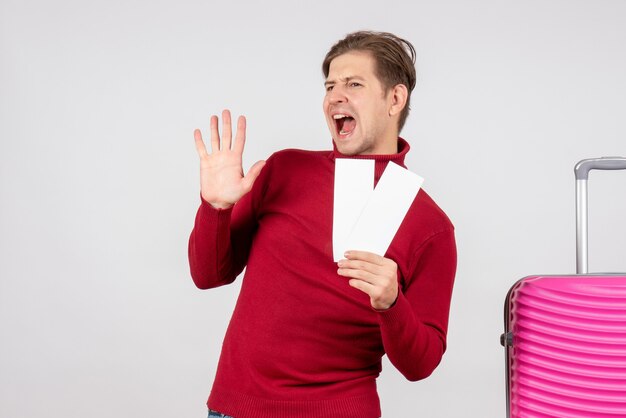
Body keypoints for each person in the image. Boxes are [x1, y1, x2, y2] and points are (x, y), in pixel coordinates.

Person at [189, 31, 457, 418]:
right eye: (330, 85)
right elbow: (208, 275)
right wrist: (215, 208)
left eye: (354, 84)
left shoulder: (430, 226)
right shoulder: (284, 169)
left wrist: (391, 304)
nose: (335, 96)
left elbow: (422, 364)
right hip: (236, 408)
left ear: (394, 99)